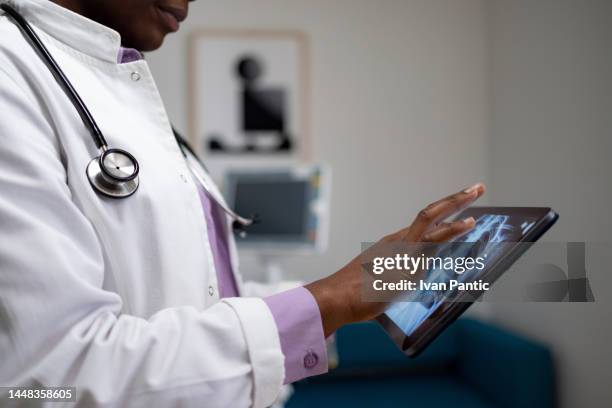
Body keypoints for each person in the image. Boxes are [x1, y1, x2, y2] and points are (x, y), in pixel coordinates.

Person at [0, 0, 486, 406]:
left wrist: (352, 302)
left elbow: (201, 295)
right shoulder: (10, 74)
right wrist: (335, 299)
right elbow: (48, 380)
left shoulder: (118, 93)